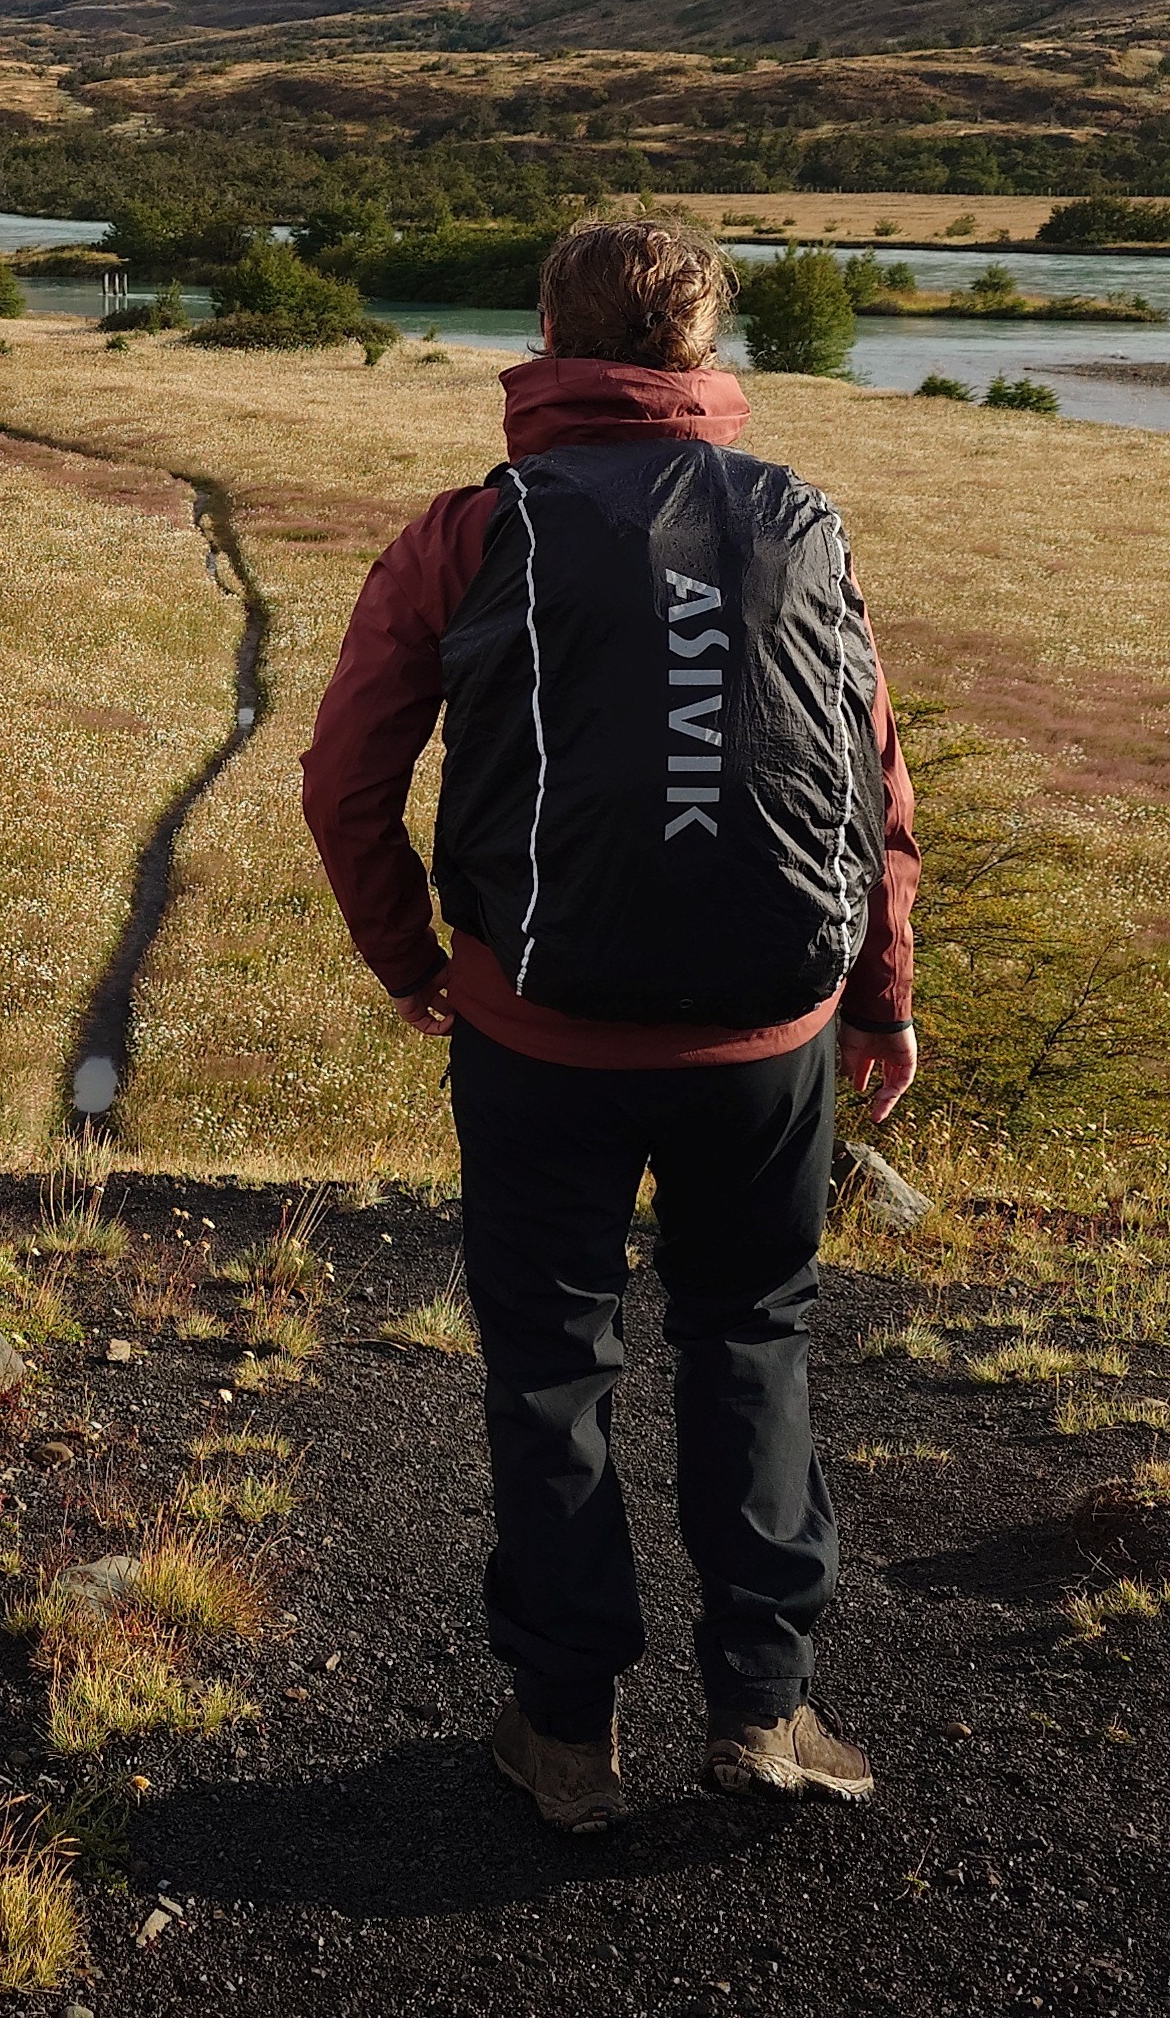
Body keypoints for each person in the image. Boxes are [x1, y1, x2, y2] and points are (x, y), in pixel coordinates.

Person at [298, 217, 921, 1836]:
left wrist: (410, 962)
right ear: (704, 348)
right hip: (768, 1041)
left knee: (552, 1368)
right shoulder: (803, 520)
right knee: (752, 1336)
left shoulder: (469, 530)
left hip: (538, 1034)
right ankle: (766, 1713)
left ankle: (566, 1734)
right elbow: (871, 779)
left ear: (550, 339)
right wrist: (879, 990)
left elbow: (345, 774)